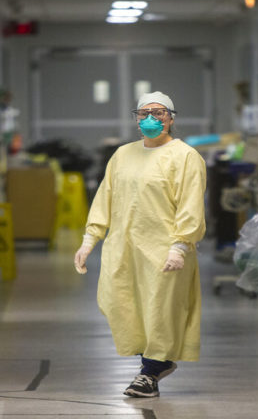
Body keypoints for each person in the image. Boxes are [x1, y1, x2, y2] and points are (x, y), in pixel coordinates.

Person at [73, 91, 207, 398]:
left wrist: (180, 246)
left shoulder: (185, 156)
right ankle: (154, 361)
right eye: (144, 113)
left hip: (164, 249)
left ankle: (151, 371)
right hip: (124, 247)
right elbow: (105, 196)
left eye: (158, 113)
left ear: (171, 118)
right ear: (135, 118)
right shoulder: (123, 155)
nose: (150, 118)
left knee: (161, 309)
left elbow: (190, 205)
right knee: (125, 305)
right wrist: (90, 238)